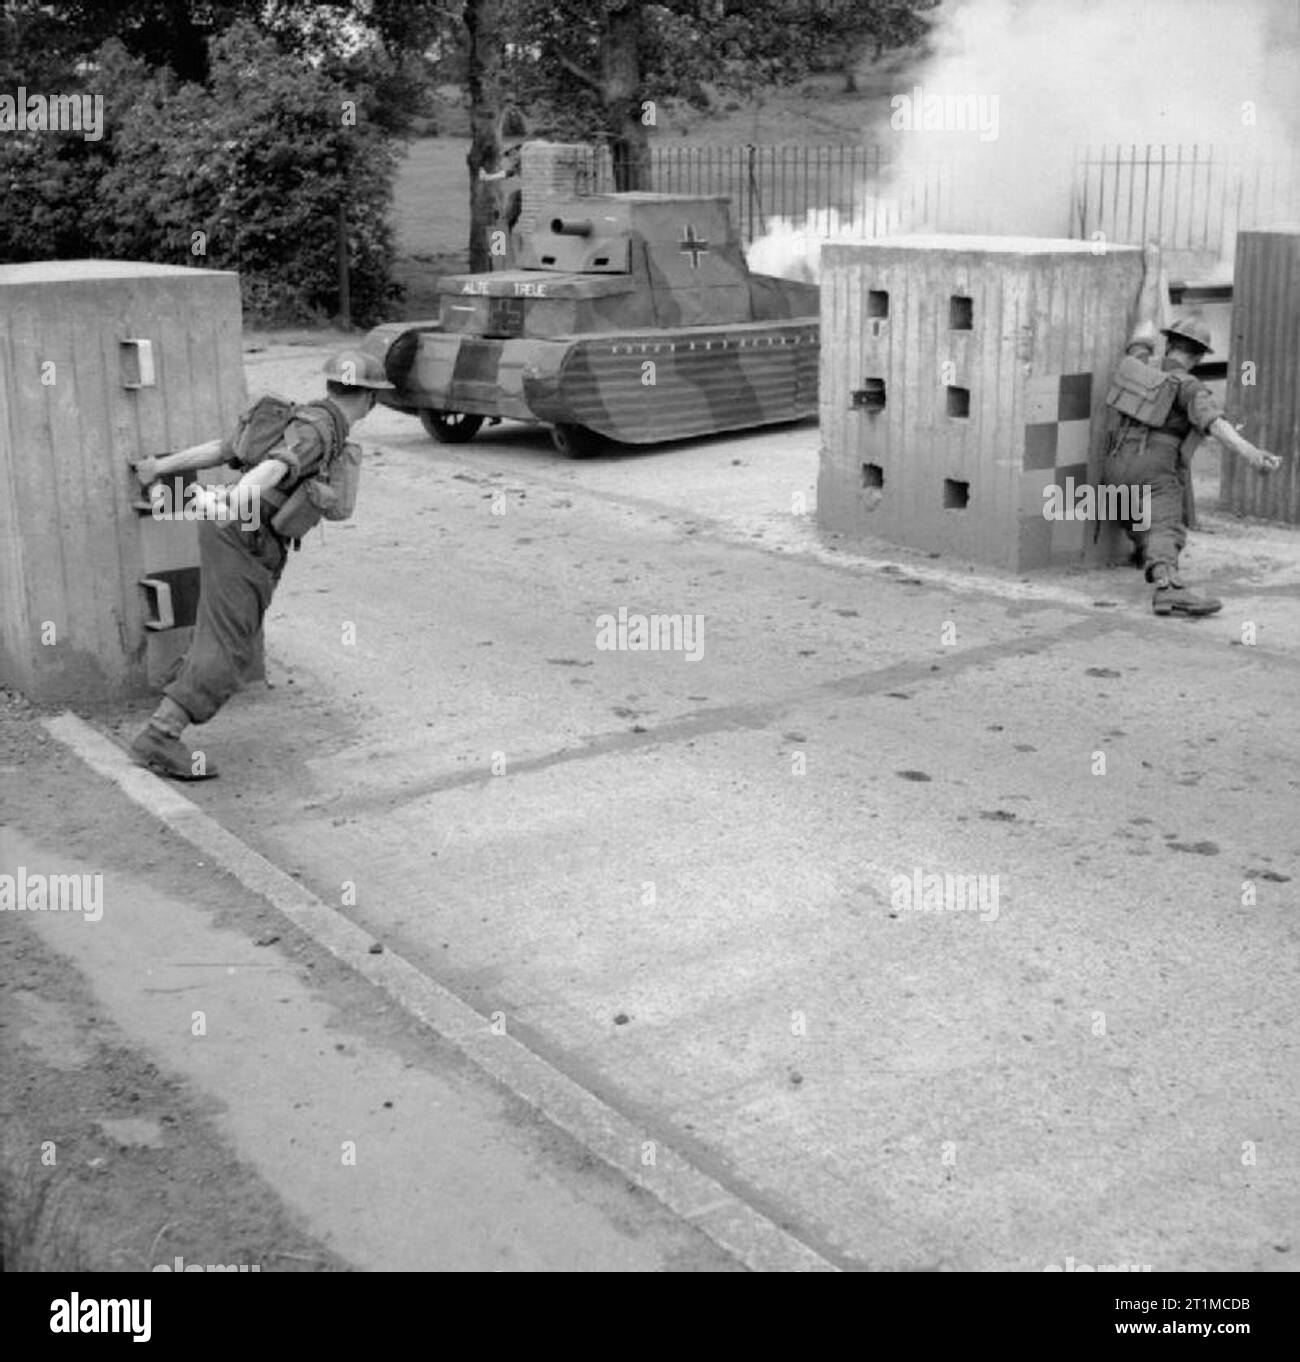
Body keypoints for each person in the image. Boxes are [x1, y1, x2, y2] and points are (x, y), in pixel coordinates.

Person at [127, 353, 390, 779]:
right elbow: (274, 468)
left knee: (225, 631)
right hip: (244, 532)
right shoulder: (320, 431)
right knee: (230, 647)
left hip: (236, 528)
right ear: (372, 398)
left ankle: (183, 686)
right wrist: (234, 501)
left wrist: (159, 467)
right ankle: (160, 734)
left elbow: (223, 448)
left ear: (332, 387)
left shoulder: (300, 416)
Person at [1105, 313, 1280, 616]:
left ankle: (1142, 551)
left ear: (1169, 343)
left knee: (1133, 505)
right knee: (1166, 523)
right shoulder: (1189, 386)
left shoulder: (1140, 364)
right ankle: (1167, 587)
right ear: (1198, 356)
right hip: (1154, 466)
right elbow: (1214, 423)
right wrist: (1250, 452)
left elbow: (1139, 340)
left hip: (1114, 463)